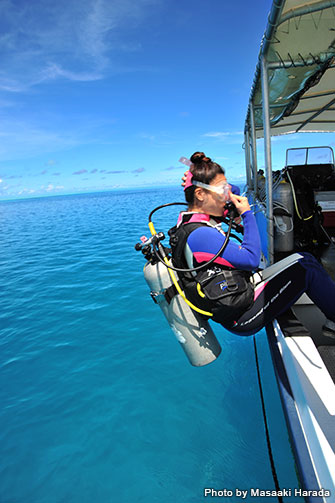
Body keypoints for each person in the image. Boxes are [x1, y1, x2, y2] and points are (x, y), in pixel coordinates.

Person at [171, 151, 335, 336]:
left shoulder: (191, 220)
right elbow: (251, 259)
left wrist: (203, 170)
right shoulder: (201, 234)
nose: (228, 195)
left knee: (306, 259)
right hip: (242, 315)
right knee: (307, 270)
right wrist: (247, 214)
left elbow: (235, 191)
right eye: (222, 189)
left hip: (238, 298)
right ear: (200, 194)